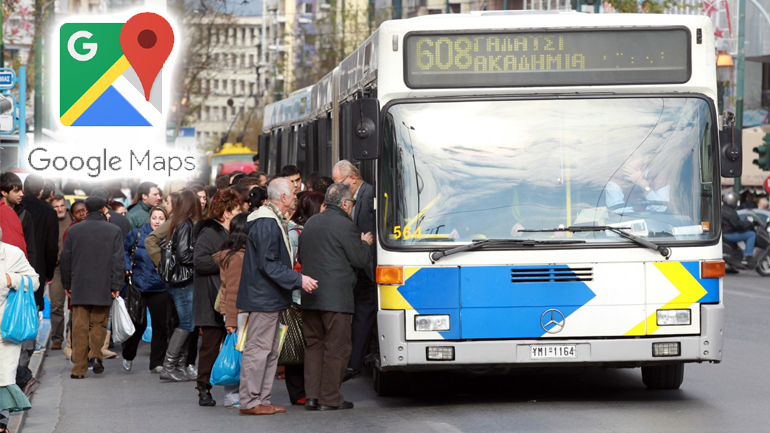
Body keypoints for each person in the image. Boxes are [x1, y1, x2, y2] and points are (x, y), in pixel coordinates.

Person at [237, 178, 318, 416]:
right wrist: (298, 279)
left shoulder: (269, 219)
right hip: (265, 297)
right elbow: (267, 264)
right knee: (260, 350)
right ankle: (251, 401)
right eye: (294, 193)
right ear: (283, 197)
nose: (296, 197)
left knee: (269, 351)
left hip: (269, 296)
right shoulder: (266, 221)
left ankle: (261, 399)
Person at [298, 183, 373, 411]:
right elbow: (360, 260)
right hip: (337, 299)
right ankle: (330, 398)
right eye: (351, 203)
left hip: (311, 296)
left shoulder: (311, 223)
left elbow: (301, 254)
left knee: (314, 346)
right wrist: (364, 243)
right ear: (344, 203)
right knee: (337, 347)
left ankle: (311, 396)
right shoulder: (346, 225)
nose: (352, 207)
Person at [60, 197, 124, 379]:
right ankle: (96, 355)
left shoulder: (74, 230)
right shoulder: (114, 230)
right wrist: (116, 284)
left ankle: (78, 369)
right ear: (104, 209)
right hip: (103, 284)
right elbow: (118, 260)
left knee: (79, 327)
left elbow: (66, 258)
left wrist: (67, 283)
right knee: (99, 324)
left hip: (79, 284)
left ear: (86, 209)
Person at [192, 189, 242, 406]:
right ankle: (204, 388)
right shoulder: (210, 233)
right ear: (227, 211)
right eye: (238, 209)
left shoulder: (232, 232)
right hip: (211, 298)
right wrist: (226, 260)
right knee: (210, 346)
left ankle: (234, 390)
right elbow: (200, 262)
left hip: (227, 297)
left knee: (233, 344)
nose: (241, 212)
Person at [332, 160, 375, 382]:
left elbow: (369, 232)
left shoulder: (368, 197)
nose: (337, 188)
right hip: (362, 268)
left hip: (368, 269)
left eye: (339, 182)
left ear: (352, 179)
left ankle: (354, 362)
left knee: (363, 315)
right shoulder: (357, 196)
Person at [284, 191, 324, 406]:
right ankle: (297, 390)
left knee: (307, 341)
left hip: (307, 292)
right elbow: (290, 264)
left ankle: (306, 388)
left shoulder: (308, 229)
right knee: (296, 343)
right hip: (295, 294)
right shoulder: (293, 232)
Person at [121, 206, 171, 374]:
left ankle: (157, 362)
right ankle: (128, 355)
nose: (157, 221)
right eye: (154, 217)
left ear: (166, 220)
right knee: (137, 324)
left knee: (160, 326)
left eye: (161, 218)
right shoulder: (137, 234)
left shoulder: (170, 237)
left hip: (160, 287)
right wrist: (127, 266)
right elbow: (124, 251)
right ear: (149, 219)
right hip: (139, 286)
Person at [159, 190, 201, 382]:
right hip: (184, 281)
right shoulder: (184, 225)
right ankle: (170, 366)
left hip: (178, 281)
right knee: (187, 323)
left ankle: (179, 366)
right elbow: (184, 255)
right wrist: (202, 258)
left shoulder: (178, 223)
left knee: (188, 323)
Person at [0, 227, 40, 418]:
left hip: (6, 327)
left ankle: (2, 423)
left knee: (4, 377)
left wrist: (12, 279)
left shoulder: (12, 253)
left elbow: (34, 281)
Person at [212, 213, 249, 408]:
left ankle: (237, 395)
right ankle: (234, 396)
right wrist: (231, 322)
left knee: (239, 352)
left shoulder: (234, 254)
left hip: (236, 311)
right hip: (239, 312)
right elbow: (233, 289)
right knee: (238, 353)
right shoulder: (238, 257)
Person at [20, 175, 58, 320]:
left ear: (23, 189)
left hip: (12, 265)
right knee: (32, 307)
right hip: (37, 266)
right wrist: (49, 273)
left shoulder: (15, 208)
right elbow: (51, 246)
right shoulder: (49, 212)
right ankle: (29, 342)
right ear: (41, 192)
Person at [49, 195, 72, 351]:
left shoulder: (72, 218)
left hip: (73, 267)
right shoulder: (50, 221)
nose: (60, 209)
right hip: (56, 268)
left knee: (74, 305)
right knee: (57, 304)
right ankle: (57, 338)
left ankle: (72, 335)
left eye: (62, 205)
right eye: (56, 206)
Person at [722, 191, 756, 268]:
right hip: (729, 234)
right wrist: (749, 224)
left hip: (724, 233)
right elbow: (737, 225)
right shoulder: (730, 212)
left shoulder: (722, 209)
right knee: (751, 234)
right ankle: (747, 256)